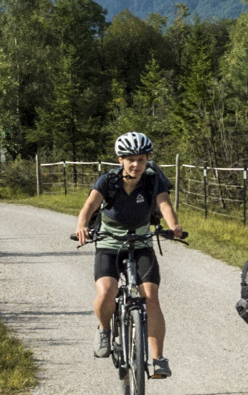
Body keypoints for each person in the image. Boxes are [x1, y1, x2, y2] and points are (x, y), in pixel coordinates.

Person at [74, 131, 186, 377]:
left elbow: (164, 203)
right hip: (109, 242)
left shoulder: (151, 180)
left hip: (141, 241)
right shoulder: (108, 181)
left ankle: (158, 359)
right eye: (131, 159)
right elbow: (89, 206)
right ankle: (104, 329)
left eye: (142, 160)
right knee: (106, 292)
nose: (136, 165)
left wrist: (173, 225)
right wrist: (82, 225)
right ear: (120, 160)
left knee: (151, 298)